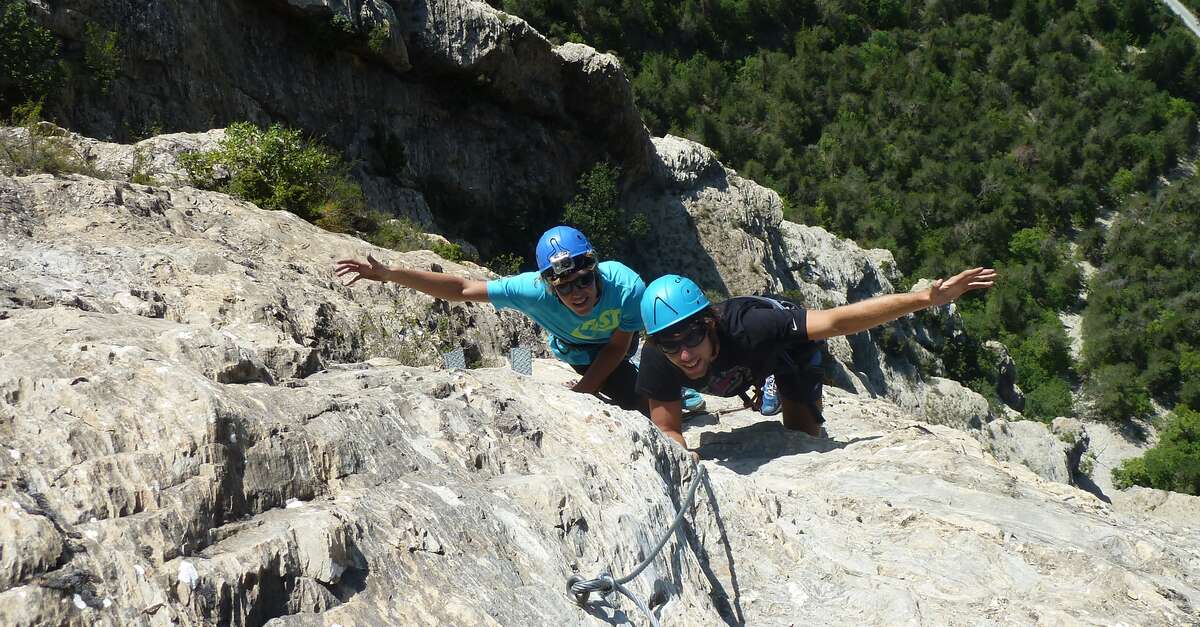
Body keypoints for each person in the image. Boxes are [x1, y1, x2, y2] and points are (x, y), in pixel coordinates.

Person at [335, 225, 703, 415]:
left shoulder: (625, 286)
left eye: (585, 280)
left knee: (651, 398)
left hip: (616, 345)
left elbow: (617, 347)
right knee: (638, 404)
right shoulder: (529, 290)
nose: (579, 293)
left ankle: (668, 382)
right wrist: (391, 274)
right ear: (548, 285)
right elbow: (462, 289)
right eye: (565, 286)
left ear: (596, 269)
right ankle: (653, 384)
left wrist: (583, 393)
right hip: (576, 353)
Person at [635, 268, 998, 448]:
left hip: (786, 350)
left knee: (803, 437)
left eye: (693, 337)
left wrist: (924, 299)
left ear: (710, 324)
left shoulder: (755, 326)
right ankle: (764, 382)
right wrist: (682, 458)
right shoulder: (658, 358)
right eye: (670, 343)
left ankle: (774, 381)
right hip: (747, 364)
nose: (683, 353)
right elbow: (668, 429)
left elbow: (837, 320)